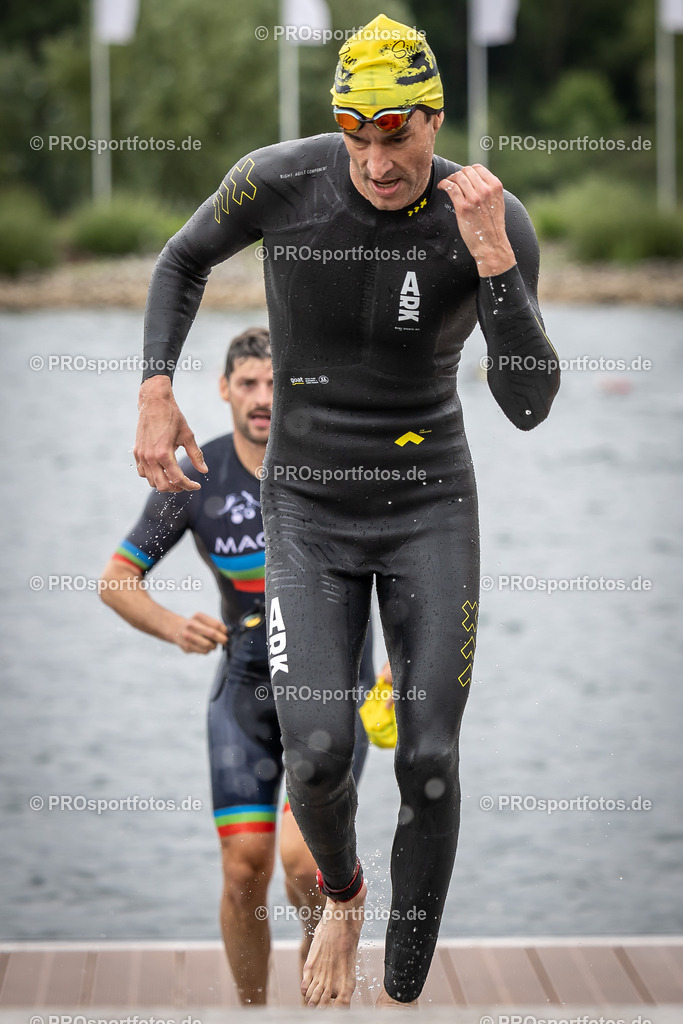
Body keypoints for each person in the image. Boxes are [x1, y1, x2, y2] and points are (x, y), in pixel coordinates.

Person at [132, 14, 561, 1008]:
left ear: (433, 118)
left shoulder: (487, 215)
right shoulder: (280, 181)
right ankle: (344, 892)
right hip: (308, 510)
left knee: (429, 759)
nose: (374, 158)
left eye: (396, 133)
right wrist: (156, 387)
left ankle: (403, 994)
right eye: (355, 134)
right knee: (318, 753)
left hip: (428, 506)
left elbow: (529, 405)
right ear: (336, 126)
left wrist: (493, 256)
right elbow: (178, 259)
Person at [100, 326, 374, 1005]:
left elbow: (400, 572)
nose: (262, 398)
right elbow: (116, 579)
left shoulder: (335, 467)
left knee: (302, 864)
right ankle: (252, 1013)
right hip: (245, 692)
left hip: (332, 686)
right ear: (223, 390)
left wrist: (398, 669)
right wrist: (172, 625)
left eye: (277, 383)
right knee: (243, 867)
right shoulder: (196, 476)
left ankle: (321, 970)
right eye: (248, 383)